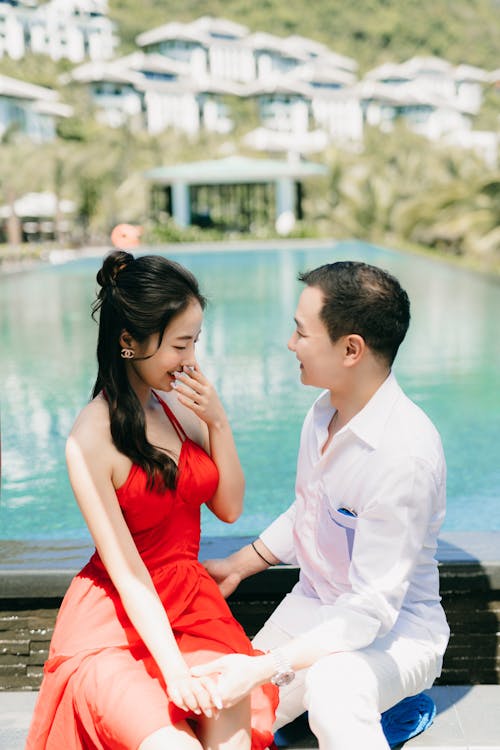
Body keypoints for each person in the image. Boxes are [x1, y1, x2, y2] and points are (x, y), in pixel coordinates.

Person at [26, 250, 277, 750]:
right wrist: (174, 672)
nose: (191, 359)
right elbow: (128, 571)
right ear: (128, 342)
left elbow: (229, 508)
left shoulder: (181, 406)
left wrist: (219, 422)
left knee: (230, 739)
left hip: (191, 606)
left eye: (195, 342)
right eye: (180, 344)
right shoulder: (91, 438)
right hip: (115, 619)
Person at [194, 261, 450, 750]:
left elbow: (370, 611)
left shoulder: (404, 456)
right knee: (226, 719)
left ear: (351, 348)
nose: (291, 344)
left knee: (335, 687)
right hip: (316, 606)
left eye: (300, 332)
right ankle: (385, 709)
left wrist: (266, 666)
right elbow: (310, 510)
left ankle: (389, 700)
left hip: (395, 631)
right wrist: (237, 566)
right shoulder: (324, 412)